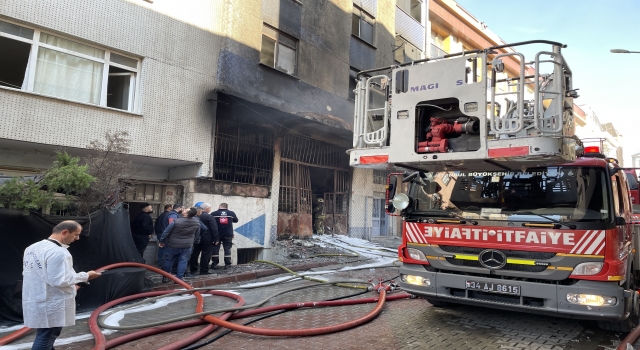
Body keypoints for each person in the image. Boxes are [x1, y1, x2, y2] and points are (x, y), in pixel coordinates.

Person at [22, 221, 101, 350]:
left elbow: (40, 274)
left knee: (45, 335)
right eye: (76, 234)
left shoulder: (32, 248)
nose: (77, 238)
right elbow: (59, 280)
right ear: (65, 232)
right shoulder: (59, 252)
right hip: (52, 303)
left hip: (36, 299)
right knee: (46, 337)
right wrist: (86, 276)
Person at [159, 207, 201, 282]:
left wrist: (162, 241)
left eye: (185, 210)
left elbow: (166, 232)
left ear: (186, 214)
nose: (183, 210)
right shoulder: (197, 222)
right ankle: (179, 279)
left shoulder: (176, 221)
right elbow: (197, 234)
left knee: (169, 260)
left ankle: (165, 277)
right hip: (187, 245)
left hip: (173, 244)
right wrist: (191, 241)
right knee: (183, 261)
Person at [190, 203, 218, 275]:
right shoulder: (209, 217)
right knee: (206, 254)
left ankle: (193, 269)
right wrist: (216, 238)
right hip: (207, 238)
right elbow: (214, 228)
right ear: (207, 209)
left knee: (195, 253)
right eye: (210, 208)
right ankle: (204, 270)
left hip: (196, 237)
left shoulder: (194, 216)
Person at [210, 203, 238, 269]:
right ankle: (227, 264)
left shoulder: (214, 213)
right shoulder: (231, 213)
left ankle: (214, 263)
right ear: (227, 207)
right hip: (228, 233)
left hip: (217, 234)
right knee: (227, 248)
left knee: (215, 248)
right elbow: (236, 220)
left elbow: (210, 222)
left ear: (219, 206)